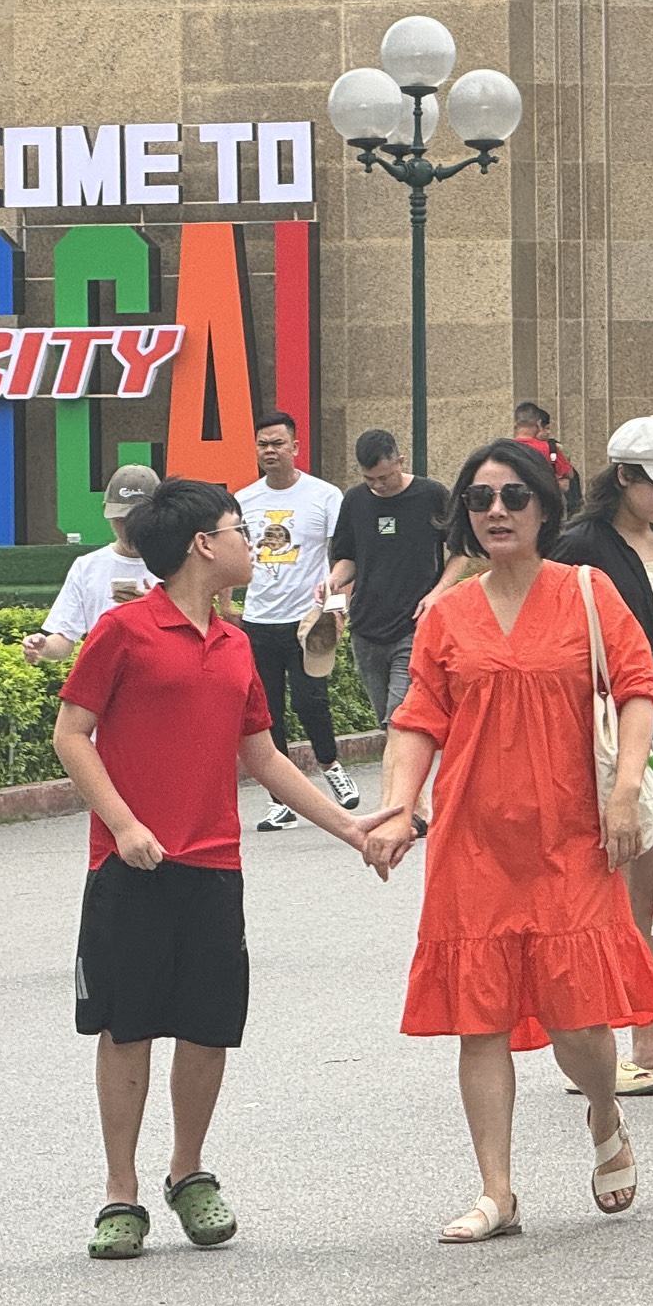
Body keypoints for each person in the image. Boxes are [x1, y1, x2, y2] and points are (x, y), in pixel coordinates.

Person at [359, 439, 653, 1242]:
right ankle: (496, 1192)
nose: (495, 511)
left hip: (572, 831)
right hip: (472, 840)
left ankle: (604, 1110)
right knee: (481, 1017)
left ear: (543, 508)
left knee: (577, 1021)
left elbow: (639, 687)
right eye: (478, 499)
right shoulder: (447, 613)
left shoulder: (586, 591)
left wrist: (627, 788)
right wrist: (400, 807)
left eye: (512, 498)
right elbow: (417, 721)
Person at [54, 477, 376, 1258]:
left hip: (212, 865)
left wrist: (353, 830)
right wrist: (124, 825)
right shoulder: (124, 631)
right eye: (238, 530)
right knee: (126, 1027)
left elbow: (263, 756)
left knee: (206, 1028)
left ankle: (188, 1174)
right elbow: (72, 735)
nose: (250, 544)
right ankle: (120, 1193)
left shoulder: (235, 645)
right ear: (203, 544)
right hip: (130, 865)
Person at [551, 416, 653, 1095]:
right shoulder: (578, 546)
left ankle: (649, 1037)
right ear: (624, 478)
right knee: (604, 892)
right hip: (606, 737)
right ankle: (600, 1046)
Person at [238, 412, 354, 831]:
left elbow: (344, 557)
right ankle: (281, 801)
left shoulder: (324, 496)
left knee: (311, 701)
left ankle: (330, 764)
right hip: (258, 620)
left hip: (307, 620)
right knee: (266, 714)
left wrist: (338, 607)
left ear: (295, 447)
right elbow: (232, 553)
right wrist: (225, 604)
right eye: (263, 445)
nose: (270, 451)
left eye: (277, 443)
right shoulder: (244, 500)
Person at [324, 432, 450, 728]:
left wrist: (440, 592)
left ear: (400, 461)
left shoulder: (431, 495)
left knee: (398, 720)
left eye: (385, 477)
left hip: (413, 624)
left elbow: (461, 550)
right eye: (370, 479)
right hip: (366, 628)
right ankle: (397, 774)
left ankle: (397, 774)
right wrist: (333, 581)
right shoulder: (355, 500)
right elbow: (348, 558)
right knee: (387, 723)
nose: (378, 485)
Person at [22, 464, 161, 662]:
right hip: (105, 681)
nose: (130, 529)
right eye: (121, 519)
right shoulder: (87, 567)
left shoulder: (180, 563)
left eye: (139, 519)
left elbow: (196, 634)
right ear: (106, 511)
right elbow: (64, 637)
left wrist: (153, 607)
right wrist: (43, 646)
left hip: (164, 682)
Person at [512, 402, 585, 518]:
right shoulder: (550, 449)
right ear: (539, 423)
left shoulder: (504, 449)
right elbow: (569, 474)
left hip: (515, 508)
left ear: (515, 425)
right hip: (545, 510)